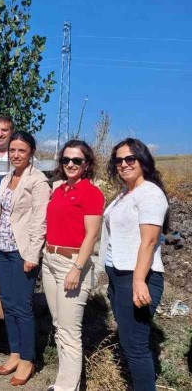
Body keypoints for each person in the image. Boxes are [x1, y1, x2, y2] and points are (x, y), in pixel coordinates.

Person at [99, 138, 168, 391]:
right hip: (119, 277)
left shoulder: (150, 193)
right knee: (130, 343)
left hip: (137, 278)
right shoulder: (125, 195)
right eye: (118, 160)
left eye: (130, 159)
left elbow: (149, 241)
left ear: (143, 161)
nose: (123, 164)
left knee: (135, 346)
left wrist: (139, 280)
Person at [43, 139, 104, 391]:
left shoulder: (91, 193)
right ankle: (66, 382)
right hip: (50, 260)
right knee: (59, 325)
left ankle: (66, 388)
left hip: (72, 263)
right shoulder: (59, 190)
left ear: (87, 164)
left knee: (69, 332)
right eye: (66, 160)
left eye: (77, 160)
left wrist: (77, 269)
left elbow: (91, 235)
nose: (70, 164)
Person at [0, 131, 50, 386]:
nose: (16, 155)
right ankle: (14, 352)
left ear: (31, 153)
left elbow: (40, 220)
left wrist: (33, 254)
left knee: (22, 305)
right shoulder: (7, 178)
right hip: (1, 248)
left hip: (22, 251)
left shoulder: (37, 181)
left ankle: (28, 358)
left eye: (22, 151)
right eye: (13, 150)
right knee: (7, 302)